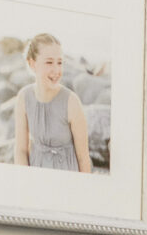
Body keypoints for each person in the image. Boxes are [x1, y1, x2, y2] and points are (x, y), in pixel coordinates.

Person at [13, 33, 92, 173]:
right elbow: (20, 150)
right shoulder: (24, 98)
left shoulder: (71, 102)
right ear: (32, 64)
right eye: (49, 62)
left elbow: (83, 158)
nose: (56, 70)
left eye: (59, 62)